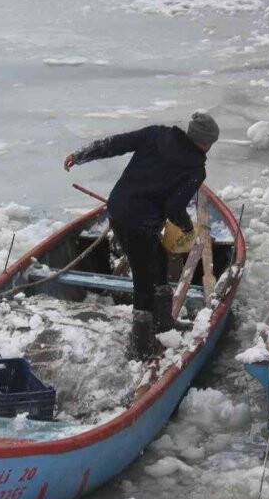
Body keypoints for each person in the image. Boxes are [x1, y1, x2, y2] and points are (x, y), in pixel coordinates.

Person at [63, 112, 220, 360]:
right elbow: (174, 208)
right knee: (144, 277)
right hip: (141, 223)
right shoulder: (195, 169)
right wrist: (187, 227)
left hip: (118, 209)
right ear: (205, 142)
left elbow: (116, 143)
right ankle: (140, 345)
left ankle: (163, 323)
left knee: (157, 259)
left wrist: (80, 155)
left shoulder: (157, 134)